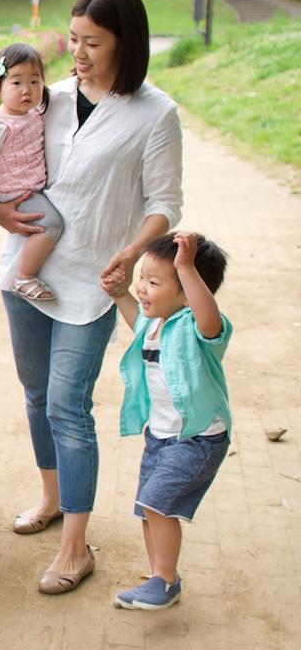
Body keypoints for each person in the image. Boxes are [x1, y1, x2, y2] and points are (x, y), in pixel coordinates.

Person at [0, 0, 183, 595]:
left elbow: (164, 203)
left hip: (92, 281)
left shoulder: (156, 113)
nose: (76, 52)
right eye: (72, 38)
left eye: (91, 42)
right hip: (24, 269)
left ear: (125, 42)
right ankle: (52, 499)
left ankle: (76, 548)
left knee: (66, 405)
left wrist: (131, 253)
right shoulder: (44, 99)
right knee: (33, 392)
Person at [103, 231, 230, 609]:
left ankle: (165, 579)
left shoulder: (199, 326)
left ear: (189, 291)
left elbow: (208, 316)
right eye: (142, 276)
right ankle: (160, 577)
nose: (142, 287)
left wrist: (187, 266)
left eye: (154, 282)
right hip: (159, 436)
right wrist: (119, 294)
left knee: (158, 505)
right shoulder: (153, 321)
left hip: (198, 438)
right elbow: (136, 323)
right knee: (147, 508)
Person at [0, 43, 64, 302]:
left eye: (35, 81)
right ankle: (24, 276)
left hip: (29, 186)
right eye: (16, 83)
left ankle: (25, 272)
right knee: (52, 224)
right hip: (13, 192)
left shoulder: (34, 113)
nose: (27, 90)